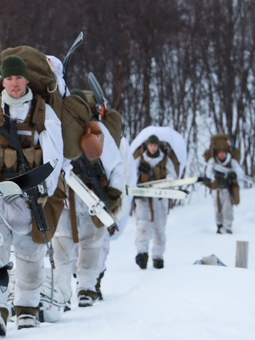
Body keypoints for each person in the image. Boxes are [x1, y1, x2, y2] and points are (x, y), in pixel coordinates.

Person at [0, 55, 64, 334]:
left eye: (18, 77)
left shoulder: (42, 112)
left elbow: (54, 153)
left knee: (30, 257)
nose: (14, 83)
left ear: (27, 79)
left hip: (30, 197)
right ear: (2, 81)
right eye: (8, 78)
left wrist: (45, 190)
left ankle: (27, 308)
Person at [52, 110, 124, 308]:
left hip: (92, 196)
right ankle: (64, 290)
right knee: (63, 243)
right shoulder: (56, 126)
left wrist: (112, 195)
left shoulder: (96, 132)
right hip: (65, 193)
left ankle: (86, 287)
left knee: (90, 244)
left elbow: (115, 166)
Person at [131, 135, 176, 268]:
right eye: (150, 145)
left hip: (160, 199)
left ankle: (158, 257)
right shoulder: (140, 159)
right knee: (143, 226)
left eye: (155, 145)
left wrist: (168, 180)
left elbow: (173, 176)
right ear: (147, 145)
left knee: (159, 229)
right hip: (144, 199)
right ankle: (142, 254)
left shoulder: (165, 160)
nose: (152, 148)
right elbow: (132, 177)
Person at [204, 143, 246, 234]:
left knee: (227, 208)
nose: (222, 155)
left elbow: (240, 173)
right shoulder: (213, 161)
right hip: (217, 189)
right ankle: (219, 225)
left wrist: (233, 176)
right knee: (217, 207)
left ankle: (228, 226)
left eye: (223, 152)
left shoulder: (231, 161)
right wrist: (215, 177)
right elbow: (208, 172)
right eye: (220, 153)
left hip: (227, 188)